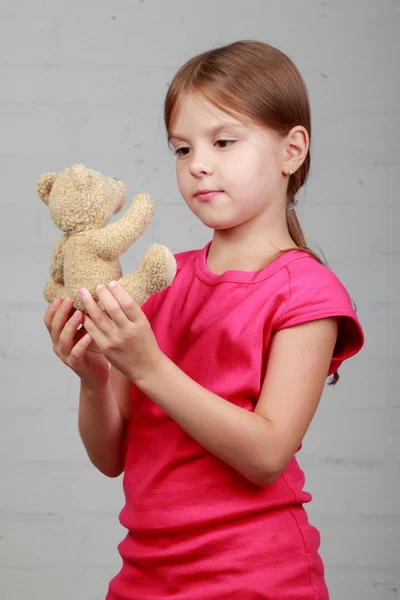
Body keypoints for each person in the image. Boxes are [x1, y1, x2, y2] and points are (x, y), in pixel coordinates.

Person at [44, 40, 364, 599]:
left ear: (292, 150)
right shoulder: (159, 280)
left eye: (223, 142)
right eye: (181, 149)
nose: (198, 165)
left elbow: (266, 456)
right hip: (145, 576)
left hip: (258, 580)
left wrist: (147, 364)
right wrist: (94, 376)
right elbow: (110, 458)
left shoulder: (307, 291)